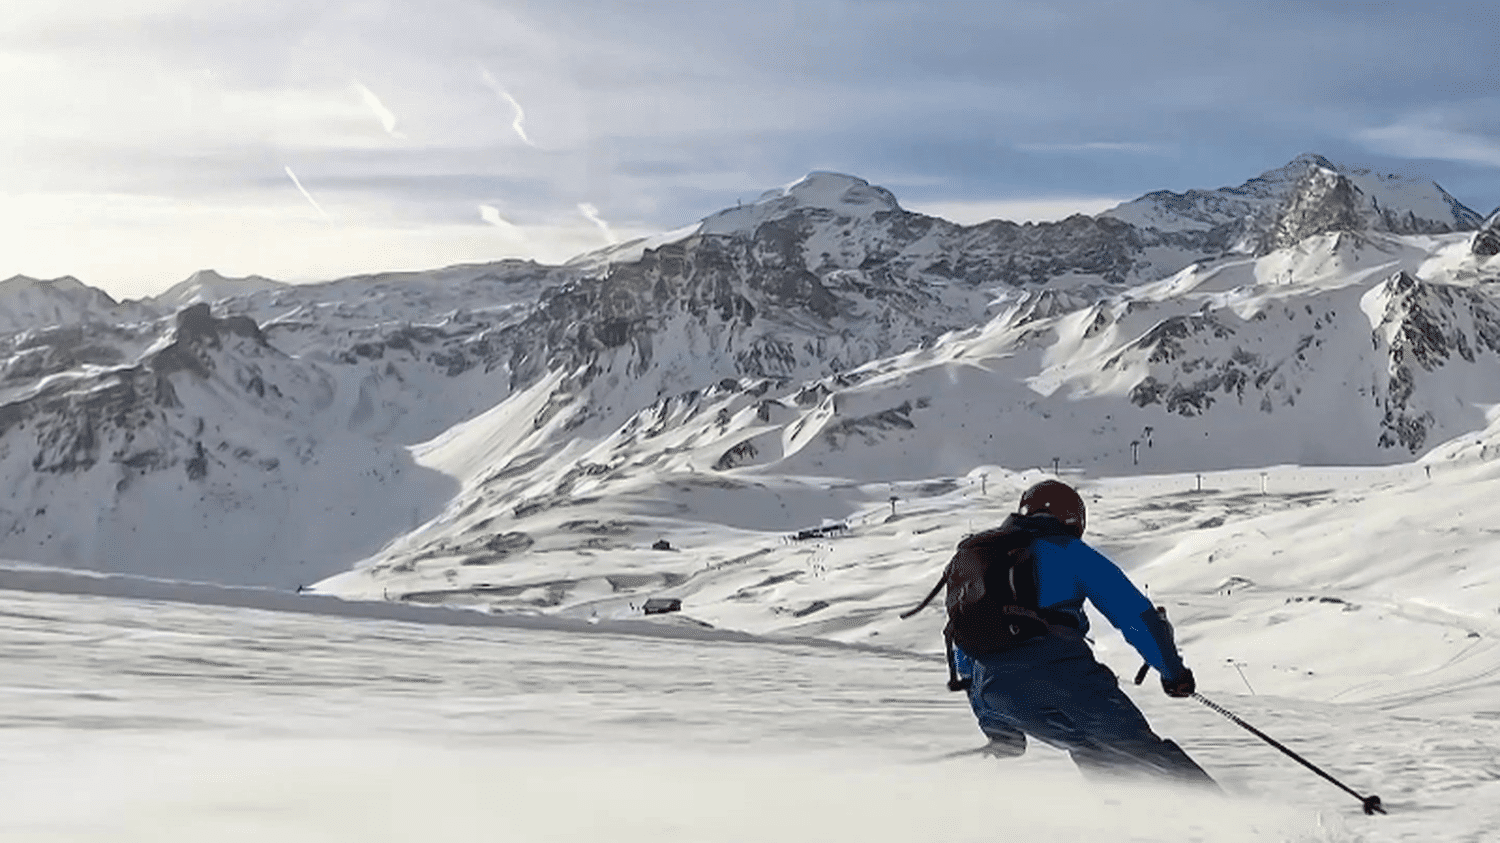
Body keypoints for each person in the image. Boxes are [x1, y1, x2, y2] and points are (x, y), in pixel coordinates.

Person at [917, 479, 1215, 786]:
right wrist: (1173, 672)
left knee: (1092, 752)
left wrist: (996, 726)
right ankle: (1227, 819)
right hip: (1064, 677)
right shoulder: (1068, 551)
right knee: (1143, 753)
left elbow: (966, 641)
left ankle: (1136, 824)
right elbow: (1134, 615)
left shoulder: (983, 560)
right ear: (1073, 518)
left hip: (997, 694)